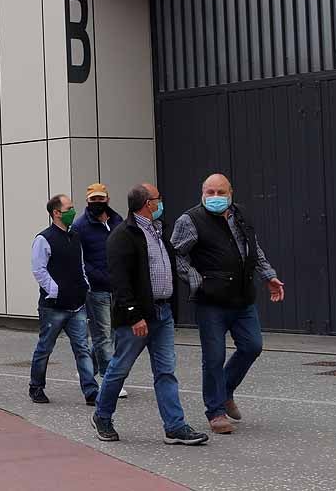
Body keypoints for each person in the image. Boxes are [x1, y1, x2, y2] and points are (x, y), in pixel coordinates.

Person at [91, 184, 208, 446]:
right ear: (147, 203)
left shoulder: (156, 231)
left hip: (162, 312)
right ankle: (102, 415)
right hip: (138, 316)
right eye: (158, 199)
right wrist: (134, 315)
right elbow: (120, 281)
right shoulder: (123, 235)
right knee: (120, 368)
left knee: (166, 371)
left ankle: (175, 427)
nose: (161, 203)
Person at [171, 173, 286, 435]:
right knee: (213, 357)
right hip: (211, 301)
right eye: (209, 192)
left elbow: (253, 250)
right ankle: (215, 411)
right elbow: (176, 254)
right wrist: (195, 280)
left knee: (252, 346)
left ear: (231, 193)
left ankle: (225, 391)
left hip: (242, 297)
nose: (215, 198)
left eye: (220, 192)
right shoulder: (190, 220)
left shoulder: (241, 215)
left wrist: (269, 277)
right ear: (202, 193)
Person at [28, 195, 99, 406]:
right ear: (56, 213)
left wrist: (84, 284)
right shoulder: (44, 239)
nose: (73, 211)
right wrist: (54, 289)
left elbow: (81, 265)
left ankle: (91, 391)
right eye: (68, 208)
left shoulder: (75, 237)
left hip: (77, 304)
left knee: (82, 349)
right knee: (45, 348)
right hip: (53, 307)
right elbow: (38, 269)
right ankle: (36, 387)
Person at [70, 183, 126, 398]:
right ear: (87, 201)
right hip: (96, 290)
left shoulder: (117, 220)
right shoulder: (80, 227)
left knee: (111, 334)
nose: (97, 203)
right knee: (103, 336)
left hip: (118, 288)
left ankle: (88, 369)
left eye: (100, 199)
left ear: (107, 199)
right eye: (93, 200)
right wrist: (101, 278)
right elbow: (81, 261)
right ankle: (109, 379)